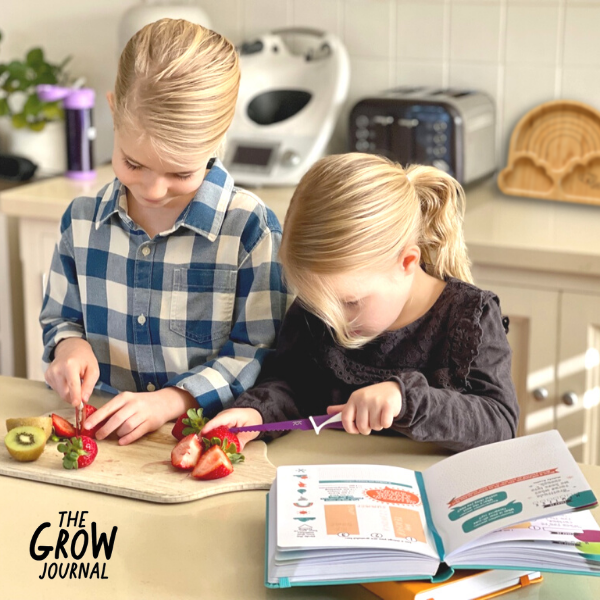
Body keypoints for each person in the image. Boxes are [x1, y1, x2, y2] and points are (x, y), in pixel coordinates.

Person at [40, 19, 290, 445]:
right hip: (102, 440)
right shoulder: (81, 221)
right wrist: (69, 348)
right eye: (133, 163)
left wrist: (172, 401)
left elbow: (258, 356)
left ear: (218, 139)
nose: (153, 190)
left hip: (197, 442)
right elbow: (61, 319)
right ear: (113, 109)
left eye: (179, 172)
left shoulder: (249, 230)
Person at [202, 153, 519, 452]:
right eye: (317, 303)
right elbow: (291, 384)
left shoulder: (470, 318)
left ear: (407, 263)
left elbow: (499, 424)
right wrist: (256, 414)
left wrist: (405, 399)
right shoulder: (322, 306)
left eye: (351, 302)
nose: (333, 322)